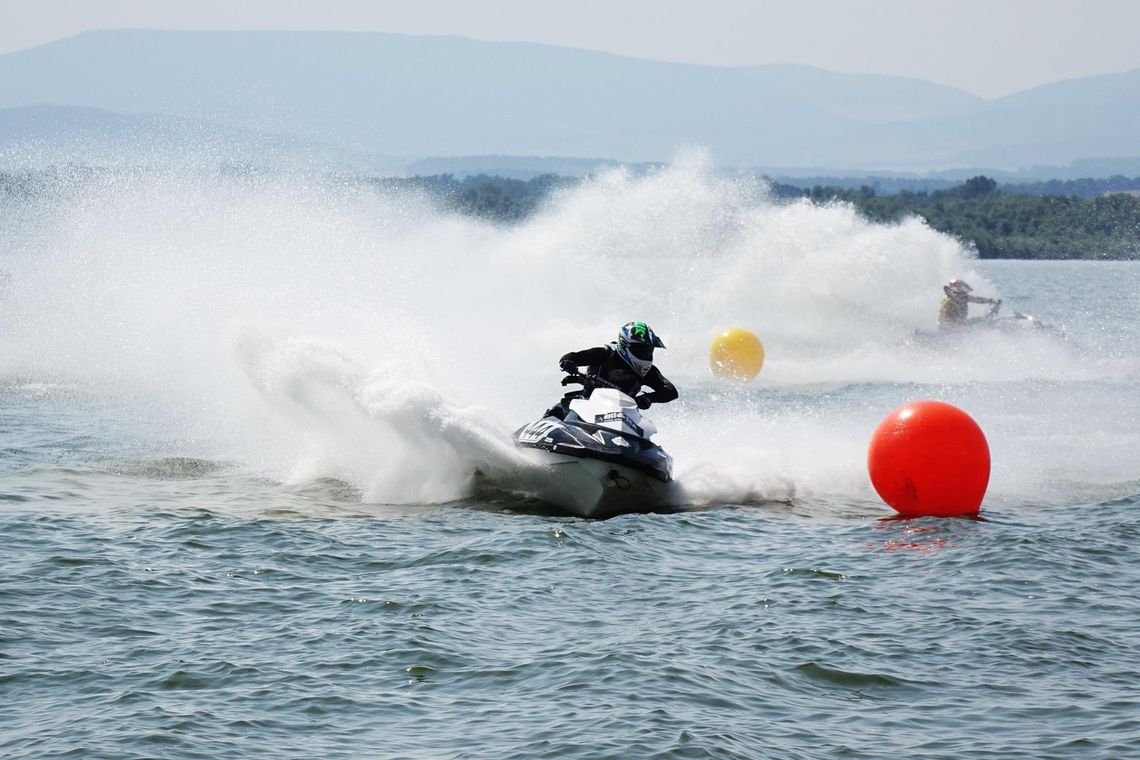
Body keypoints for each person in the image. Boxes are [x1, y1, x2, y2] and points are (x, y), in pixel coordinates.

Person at [545, 321, 679, 419]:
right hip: (585, 404)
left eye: (649, 350)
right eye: (641, 350)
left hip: (622, 417)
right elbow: (572, 356)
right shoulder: (603, 355)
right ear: (625, 346)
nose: (646, 354)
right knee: (555, 411)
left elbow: (671, 391)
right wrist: (568, 363)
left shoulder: (647, 371)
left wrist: (648, 398)